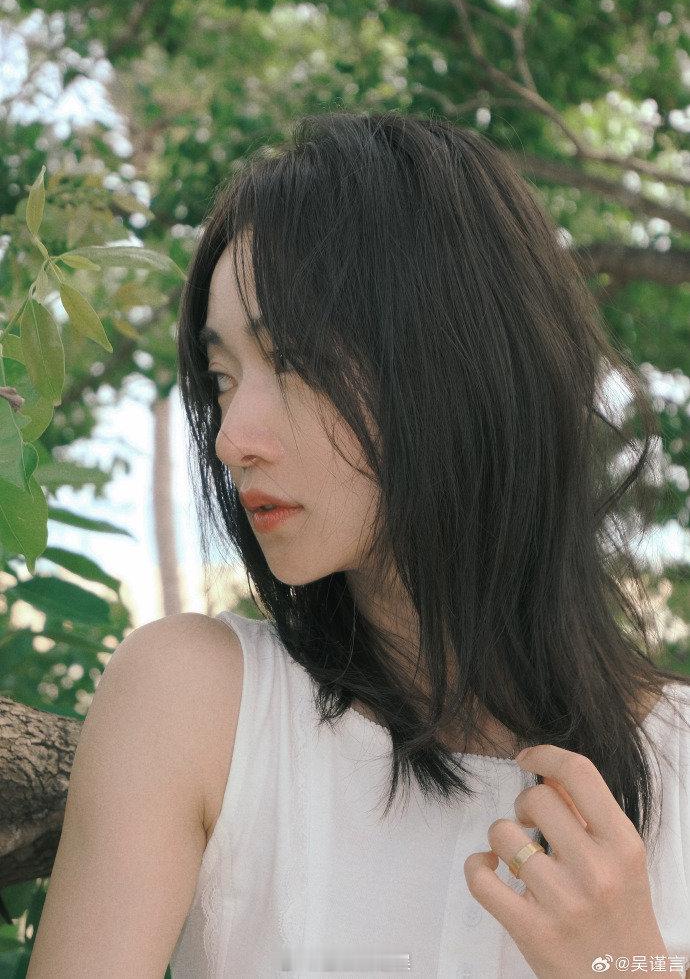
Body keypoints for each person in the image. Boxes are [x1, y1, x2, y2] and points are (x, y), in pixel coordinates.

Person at [29, 112, 690, 978]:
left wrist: (627, 966)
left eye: (295, 363)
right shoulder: (200, 703)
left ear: (457, 363)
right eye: (222, 378)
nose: (232, 438)